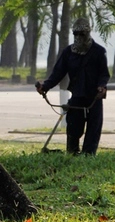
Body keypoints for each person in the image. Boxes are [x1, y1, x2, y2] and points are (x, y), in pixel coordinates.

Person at [35, 18, 110, 155]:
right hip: (77, 96)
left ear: (88, 33)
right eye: (76, 34)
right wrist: (45, 86)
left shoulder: (99, 52)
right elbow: (57, 74)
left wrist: (102, 86)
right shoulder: (68, 53)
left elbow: (104, 74)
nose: (79, 37)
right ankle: (72, 153)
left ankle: (89, 155)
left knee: (94, 129)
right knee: (73, 127)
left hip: (94, 97)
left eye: (82, 34)